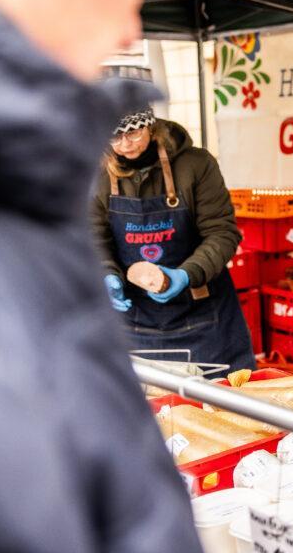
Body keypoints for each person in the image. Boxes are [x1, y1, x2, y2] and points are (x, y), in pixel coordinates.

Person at [0, 0, 210, 553]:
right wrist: (114, 273)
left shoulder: (22, 179)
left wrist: (182, 274)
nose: (129, 27)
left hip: (195, 317)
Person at [91, 103, 254, 373]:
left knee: (221, 395)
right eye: (114, 137)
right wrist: (106, 274)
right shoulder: (96, 175)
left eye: (133, 133)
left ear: (150, 126)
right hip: (134, 321)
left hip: (203, 316)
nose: (125, 144)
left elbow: (222, 232)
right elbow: (93, 240)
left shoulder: (196, 165)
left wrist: (186, 275)